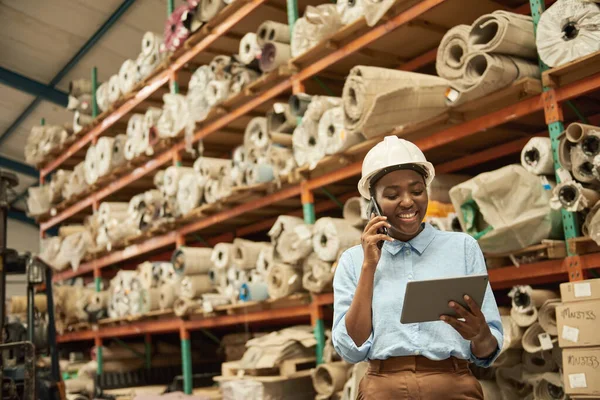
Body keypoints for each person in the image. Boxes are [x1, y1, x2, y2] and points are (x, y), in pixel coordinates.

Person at [332, 136, 503, 399]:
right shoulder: (353, 261)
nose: (408, 201)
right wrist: (369, 267)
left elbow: (486, 353)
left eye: (416, 190)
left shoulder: (463, 248)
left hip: (454, 385)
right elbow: (351, 349)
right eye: (391, 195)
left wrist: (480, 334)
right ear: (373, 203)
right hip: (384, 389)